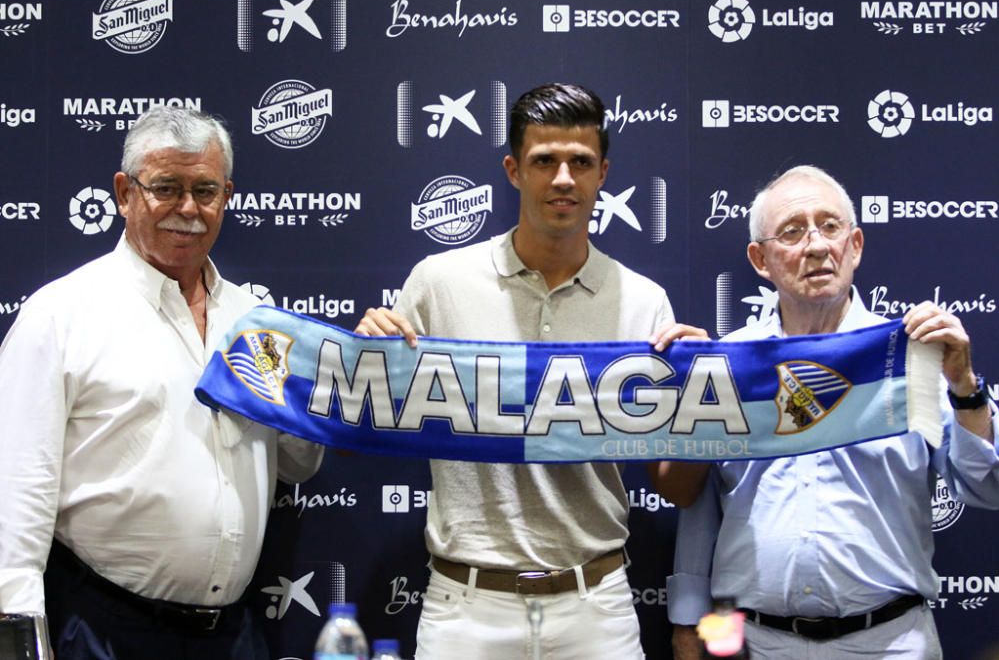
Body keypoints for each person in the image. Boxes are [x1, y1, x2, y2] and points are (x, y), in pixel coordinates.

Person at [355, 83, 702, 659]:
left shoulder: (645, 302)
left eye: (580, 162)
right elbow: (358, 437)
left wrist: (701, 400)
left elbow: (677, 487)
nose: (563, 178)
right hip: (466, 606)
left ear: (603, 173)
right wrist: (362, 362)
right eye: (545, 161)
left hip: (597, 604)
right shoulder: (440, 283)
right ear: (514, 171)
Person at [0, 106, 325, 660]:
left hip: (233, 636)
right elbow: (17, 490)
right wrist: (17, 637)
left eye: (205, 190)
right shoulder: (60, 315)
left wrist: (319, 392)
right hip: (102, 630)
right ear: (125, 193)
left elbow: (298, 464)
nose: (188, 209)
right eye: (166, 188)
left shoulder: (256, 321)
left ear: (228, 195)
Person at [666, 165, 999, 659]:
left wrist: (965, 387)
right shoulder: (729, 363)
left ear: (856, 245)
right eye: (793, 232)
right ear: (761, 259)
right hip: (755, 643)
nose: (817, 246)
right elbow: (703, 506)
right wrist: (688, 621)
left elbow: (987, 488)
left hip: (892, 643)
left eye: (830, 226)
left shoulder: (913, 357)